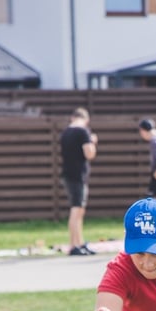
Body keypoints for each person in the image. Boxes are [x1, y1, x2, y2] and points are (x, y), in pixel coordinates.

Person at [60, 108, 98, 255]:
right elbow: (89, 154)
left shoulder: (66, 132)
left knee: (79, 209)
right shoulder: (83, 131)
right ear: (86, 119)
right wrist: (92, 142)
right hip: (78, 175)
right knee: (76, 209)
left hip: (68, 173)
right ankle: (73, 245)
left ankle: (79, 242)